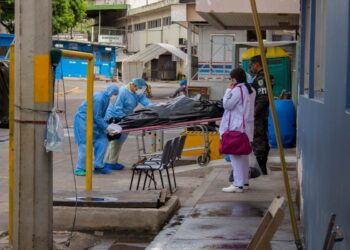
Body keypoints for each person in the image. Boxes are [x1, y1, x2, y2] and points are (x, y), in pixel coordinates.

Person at [103, 78, 152, 170]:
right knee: (115, 140)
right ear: (133, 85)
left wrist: (155, 107)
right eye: (137, 88)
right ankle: (108, 162)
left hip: (126, 117)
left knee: (120, 140)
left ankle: (113, 161)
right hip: (115, 117)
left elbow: (146, 101)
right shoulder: (123, 92)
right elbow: (117, 108)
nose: (138, 91)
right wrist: (127, 118)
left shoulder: (137, 93)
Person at [220, 68, 256, 193]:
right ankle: (244, 182)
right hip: (247, 127)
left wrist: (228, 90)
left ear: (234, 79)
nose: (230, 81)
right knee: (244, 155)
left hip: (236, 127)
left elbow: (226, 105)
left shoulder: (237, 90)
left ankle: (237, 184)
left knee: (235, 156)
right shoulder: (251, 90)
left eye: (230, 79)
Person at [73, 84, 119, 176]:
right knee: (84, 144)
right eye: (114, 94)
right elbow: (97, 116)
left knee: (102, 141)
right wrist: (107, 127)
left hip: (94, 122)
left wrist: (108, 123)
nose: (113, 96)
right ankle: (80, 168)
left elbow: (101, 115)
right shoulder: (99, 98)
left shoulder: (106, 98)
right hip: (83, 121)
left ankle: (98, 166)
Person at [250, 55, 270, 175]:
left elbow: (263, 98)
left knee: (259, 140)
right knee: (260, 139)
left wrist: (254, 112)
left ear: (257, 64)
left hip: (259, 116)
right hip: (260, 115)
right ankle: (261, 167)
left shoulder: (262, 78)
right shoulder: (259, 77)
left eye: (252, 65)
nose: (251, 68)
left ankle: (261, 168)